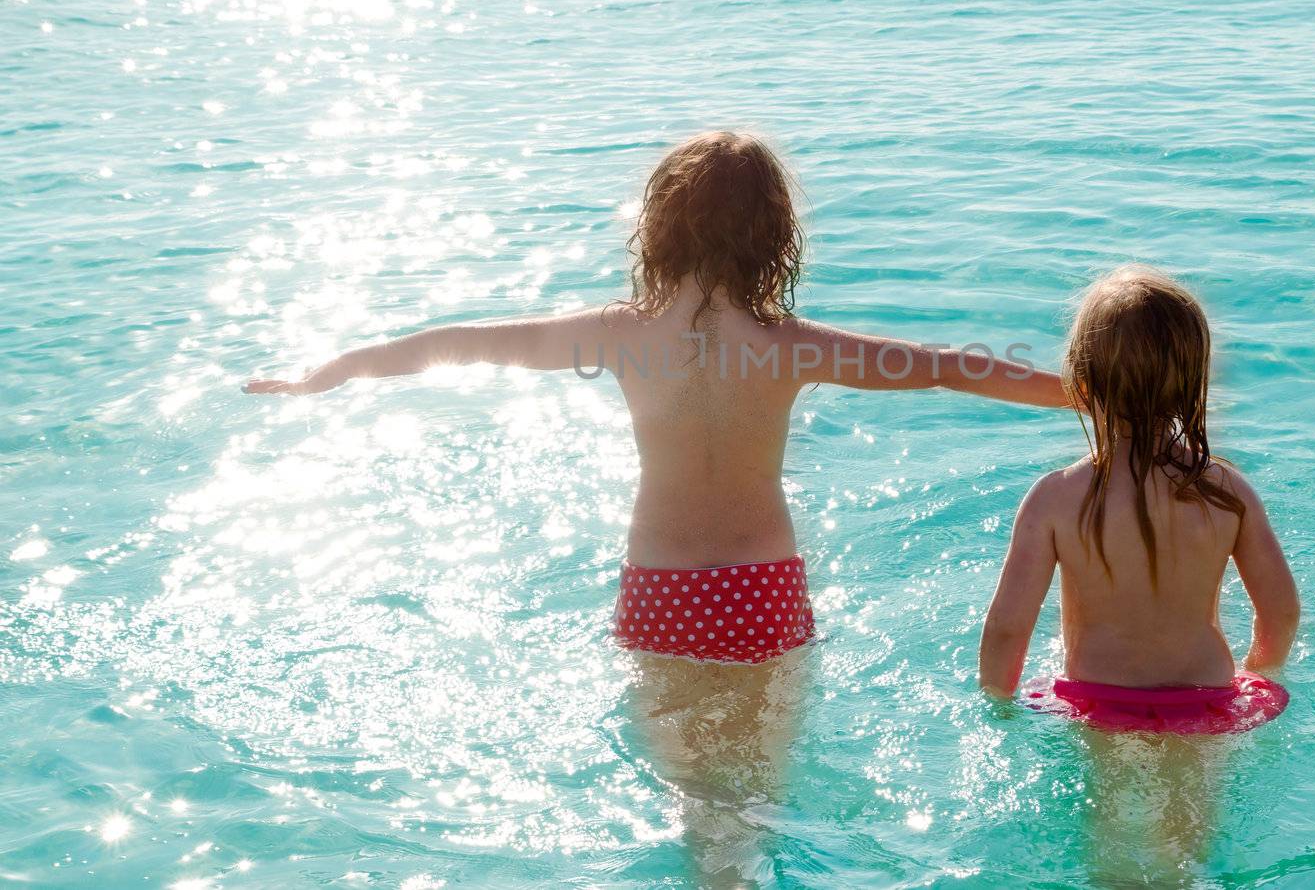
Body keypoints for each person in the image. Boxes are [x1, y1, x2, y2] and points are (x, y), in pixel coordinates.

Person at [244, 130, 1075, 884]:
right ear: (774, 236)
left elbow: (459, 342)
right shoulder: (791, 345)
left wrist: (334, 368)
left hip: (663, 592)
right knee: (756, 800)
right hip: (762, 592)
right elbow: (947, 367)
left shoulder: (616, 334)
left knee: (696, 806)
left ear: (660, 227)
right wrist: (1092, 394)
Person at [976, 264, 1300, 878]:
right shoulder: (1227, 492)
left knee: (1109, 845)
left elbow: (1006, 630)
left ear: (1081, 378)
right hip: (1206, 699)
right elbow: (1280, 610)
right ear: (1192, 380)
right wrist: (1259, 671)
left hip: (1099, 698)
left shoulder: (1056, 497)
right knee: (1186, 842)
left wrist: (997, 705)